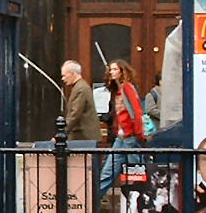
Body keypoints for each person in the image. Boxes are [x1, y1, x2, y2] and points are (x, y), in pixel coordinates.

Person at [98, 59, 144, 197]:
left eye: (115, 69)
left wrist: (139, 133)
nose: (111, 72)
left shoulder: (127, 88)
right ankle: (93, 201)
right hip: (122, 137)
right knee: (110, 171)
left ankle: (137, 203)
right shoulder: (118, 91)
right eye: (111, 69)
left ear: (122, 71)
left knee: (134, 174)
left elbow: (136, 112)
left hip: (130, 136)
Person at [60, 60, 102, 142]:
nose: (63, 79)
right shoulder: (79, 87)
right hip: (83, 136)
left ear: (73, 73)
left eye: (64, 76)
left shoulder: (81, 88)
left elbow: (75, 113)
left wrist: (62, 132)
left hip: (85, 137)